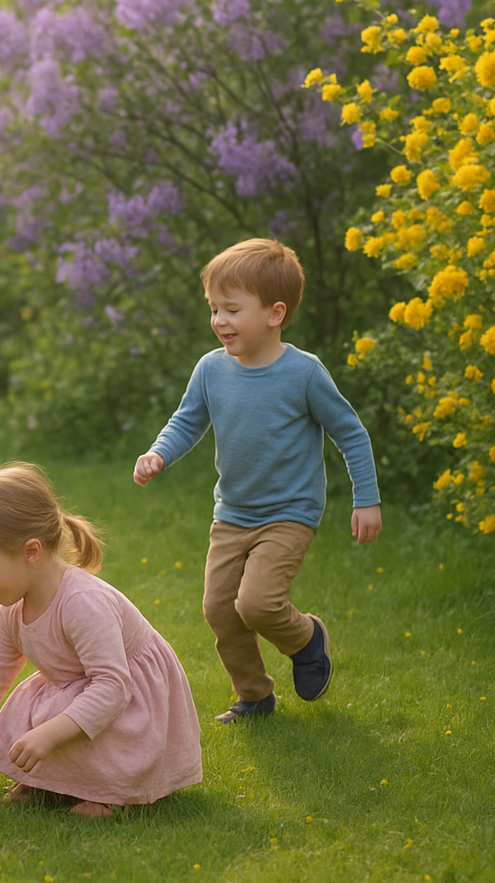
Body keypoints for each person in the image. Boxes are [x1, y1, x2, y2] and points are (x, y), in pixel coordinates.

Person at [133, 237, 382, 724]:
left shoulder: (303, 373)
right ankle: (254, 696)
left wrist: (366, 499)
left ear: (275, 313)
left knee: (258, 604)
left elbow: (350, 433)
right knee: (221, 609)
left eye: (231, 309)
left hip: (289, 513)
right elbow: (186, 421)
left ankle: (307, 639)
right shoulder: (211, 369)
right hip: (232, 512)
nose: (219, 321)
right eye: (214, 309)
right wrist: (158, 453)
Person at [0, 464, 202, 818]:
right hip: (87, 688)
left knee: (63, 717)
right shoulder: (14, 608)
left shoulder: (81, 602)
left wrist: (49, 735)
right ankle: (52, 782)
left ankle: (115, 795)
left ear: (31, 552)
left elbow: (114, 688)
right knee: (35, 701)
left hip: (130, 700)